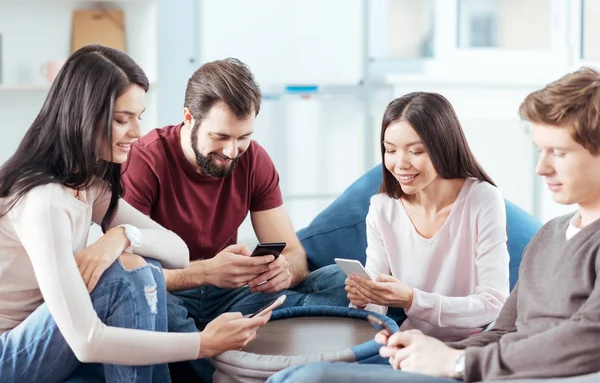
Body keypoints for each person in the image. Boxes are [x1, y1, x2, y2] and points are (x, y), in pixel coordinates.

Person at [267, 68, 600, 382]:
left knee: (312, 378)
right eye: (540, 151)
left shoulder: (484, 201)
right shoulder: (549, 237)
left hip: (489, 368)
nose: (541, 168)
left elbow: (588, 336)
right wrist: (433, 353)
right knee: (295, 375)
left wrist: (455, 360)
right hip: (470, 363)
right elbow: (501, 330)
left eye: (557, 152)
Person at [0, 45, 271, 383]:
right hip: (10, 353)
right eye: (121, 120)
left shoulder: (86, 185)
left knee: (140, 265)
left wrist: (122, 236)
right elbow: (86, 342)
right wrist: (202, 343)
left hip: (47, 332)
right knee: (125, 276)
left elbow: (179, 252)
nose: (136, 132)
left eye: (138, 117)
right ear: (82, 115)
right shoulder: (45, 200)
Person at [121, 58, 349, 379]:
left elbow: (296, 254)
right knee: (148, 303)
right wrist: (206, 272)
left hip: (231, 297)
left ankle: (226, 353)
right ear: (189, 118)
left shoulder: (254, 159)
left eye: (243, 137)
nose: (232, 151)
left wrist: (284, 272)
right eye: (220, 136)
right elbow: (127, 272)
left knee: (340, 281)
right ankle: (220, 364)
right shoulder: (144, 161)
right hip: (170, 294)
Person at [345, 92, 510, 342]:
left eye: (416, 151)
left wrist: (412, 299)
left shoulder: (482, 199)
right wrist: (364, 299)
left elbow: (494, 304)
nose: (400, 163)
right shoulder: (383, 208)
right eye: (390, 150)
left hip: (478, 341)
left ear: (442, 146)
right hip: (412, 341)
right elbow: (376, 308)